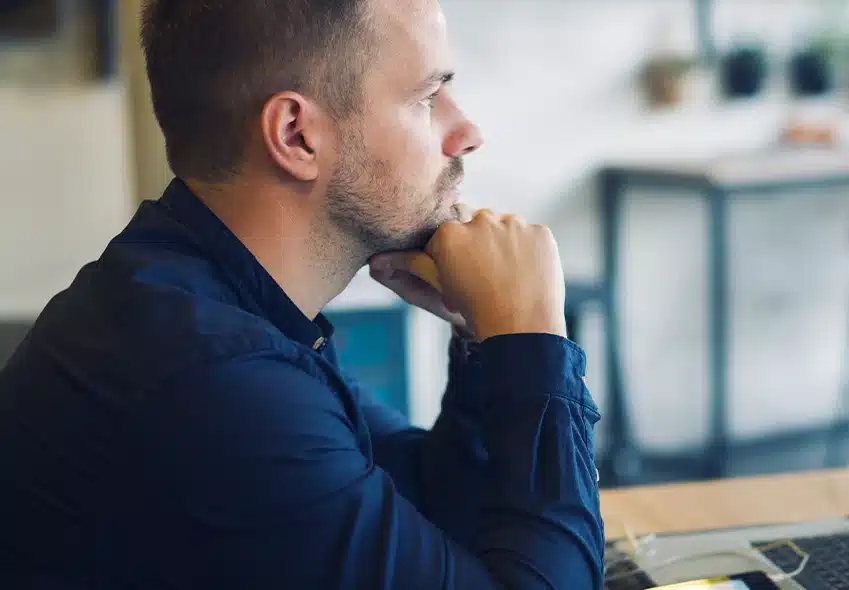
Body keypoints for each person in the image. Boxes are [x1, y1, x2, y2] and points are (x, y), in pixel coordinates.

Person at [0, 0, 604, 587]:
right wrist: (532, 340)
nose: (467, 132)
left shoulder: (211, 297)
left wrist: (483, 339)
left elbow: (423, 514)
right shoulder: (211, 377)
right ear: (296, 134)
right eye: (426, 97)